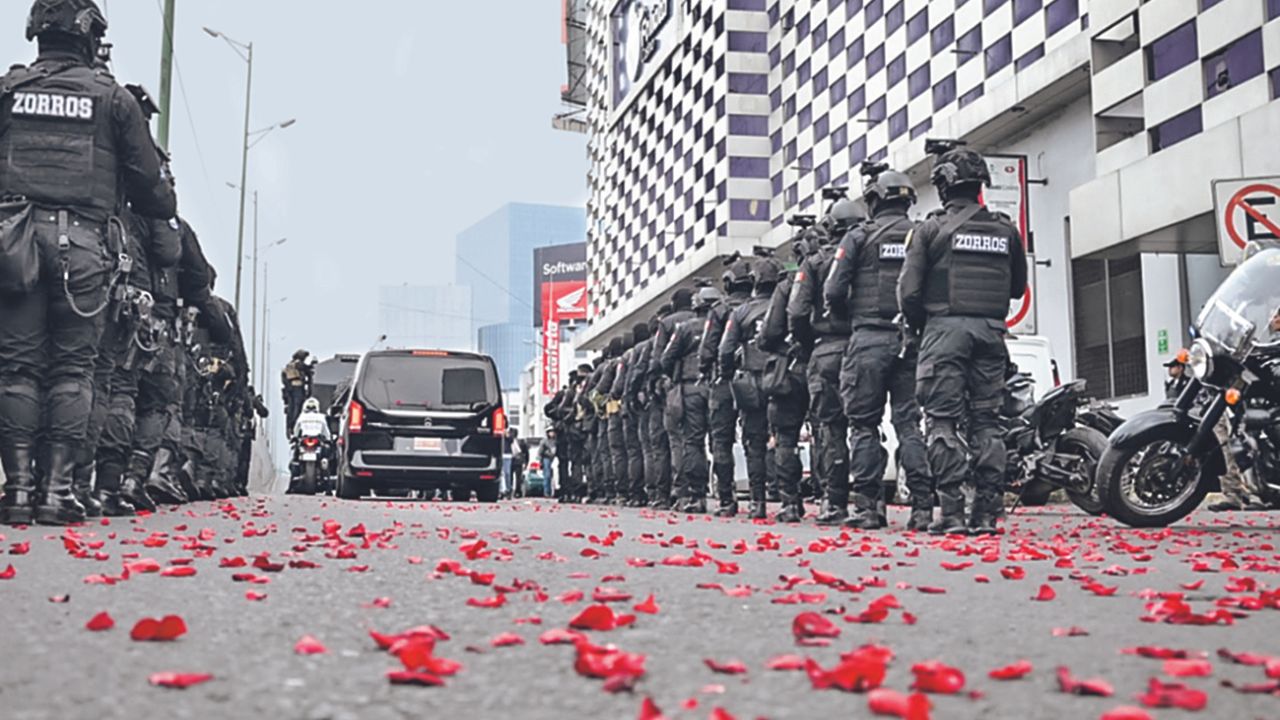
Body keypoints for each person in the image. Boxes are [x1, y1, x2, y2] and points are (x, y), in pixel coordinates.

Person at [0, 0, 177, 526]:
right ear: (90, 34)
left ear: (35, 31)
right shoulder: (114, 100)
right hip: (83, 251)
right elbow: (155, 195)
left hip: (16, 245)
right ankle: (57, 493)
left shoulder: (8, 92)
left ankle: (17, 492)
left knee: (18, 369)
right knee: (74, 371)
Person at [899, 146, 1028, 535]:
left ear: (942, 186)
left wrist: (924, 326)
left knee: (942, 422)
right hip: (991, 334)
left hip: (944, 334)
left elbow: (908, 293)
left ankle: (952, 513)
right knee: (988, 422)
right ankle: (987, 514)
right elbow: (1018, 288)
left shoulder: (929, 230)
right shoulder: (1006, 229)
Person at [825, 169, 936, 531]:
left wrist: (850, 318)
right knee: (910, 424)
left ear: (873, 201)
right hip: (910, 341)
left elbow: (834, 291)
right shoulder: (922, 234)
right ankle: (921, 509)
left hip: (868, 339)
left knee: (863, 426)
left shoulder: (858, 237)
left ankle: (870, 509)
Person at [790, 202, 862, 526]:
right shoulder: (869, 251)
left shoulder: (815, 262)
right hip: (864, 345)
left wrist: (807, 348)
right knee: (866, 427)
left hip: (827, 350)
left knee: (832, 429)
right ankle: (870, 504)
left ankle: (835, 503)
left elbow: (797, 313)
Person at [719, 257, 780, 520]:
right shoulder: (785, 306)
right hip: (783, 378)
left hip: (752, 382)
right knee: (785, 439)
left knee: (754, 443)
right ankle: (790, 500)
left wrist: (726, 375)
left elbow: (724, 349)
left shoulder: (740, 312)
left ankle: (758, 502)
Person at [758, 239, 812, 524]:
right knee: (834, 432)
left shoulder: (789, 284)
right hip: (833, 359)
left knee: (786, 439)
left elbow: (768, 333)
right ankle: (837, 502)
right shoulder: (840, 266)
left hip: (792, 368)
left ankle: (790, 502)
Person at [661, 284, 719, 513]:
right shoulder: (722, 324)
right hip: (718, 385)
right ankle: (727, 493)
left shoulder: (683, 328)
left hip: (690, 386)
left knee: (693, 441)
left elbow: (666, 358)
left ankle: (698, 495)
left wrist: (673, 376)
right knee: (721, 442)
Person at [701, 259, 753, 516]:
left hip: (723, 381)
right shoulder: (757, 306)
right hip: (754, 379)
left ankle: (726, 500)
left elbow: (709, 348)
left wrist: (708, 371)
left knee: (721, 441)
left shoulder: (719, 311)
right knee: (756, 438)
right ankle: (759, 500)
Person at [651, 293, 695, 509]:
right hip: (710, 385)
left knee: (676, 441)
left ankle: (681, 492)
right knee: (698, 441)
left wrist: (661, 382)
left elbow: (659, 360)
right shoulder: (705, 319)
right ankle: (701, 492)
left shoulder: (667, 324)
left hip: (677, 387)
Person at [282, 349, 313, 432]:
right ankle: (294, 423)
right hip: (297, 386)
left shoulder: (289, 365)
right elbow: (307, 370)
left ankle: (289, 425)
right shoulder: (299, 364)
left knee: (290, 407)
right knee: (298, 406)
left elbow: (283, 377)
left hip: (289, 388)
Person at [508, 428, 527, 499]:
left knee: (518, 478)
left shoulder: (521, 442)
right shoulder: (508, 441)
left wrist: (525, 462)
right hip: (511, 460)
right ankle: (511, 491)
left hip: (518, 461)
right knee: (510, 477)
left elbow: (525, 453)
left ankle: (517, 491)